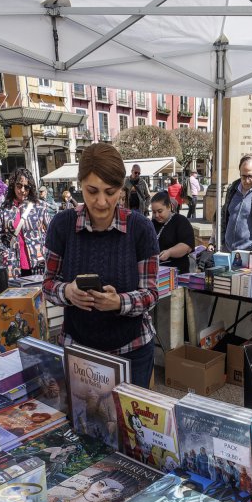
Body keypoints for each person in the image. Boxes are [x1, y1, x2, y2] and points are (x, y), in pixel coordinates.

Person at [42, 143, 159, 387]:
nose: (102, 202)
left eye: (110, 191)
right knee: (84, 422)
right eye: (92, 191)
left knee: (130, 424)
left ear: (122, 187)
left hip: (132, 349)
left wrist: (119, 303)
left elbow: (151, 293)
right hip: (79, 349)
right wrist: (68, 293)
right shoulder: (62, 225)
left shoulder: (140, 228)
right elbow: (47, 285)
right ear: (80, 184)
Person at [0, 168, 49, 276]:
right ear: (13, 186)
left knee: (38, 292)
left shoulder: (40, 206)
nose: (22, 190)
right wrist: (5, 254)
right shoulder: (4, 208)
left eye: (27, 187)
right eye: (19, 186)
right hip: (13, 264)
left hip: (38, 262)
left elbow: (51, 232)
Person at [150, 191, 195, 274]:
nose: (156, 215)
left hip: (178, 271)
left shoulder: (180, 221)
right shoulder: (152, 223)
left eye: (160, 211)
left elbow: (187, 246)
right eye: (153, 212)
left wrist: (169, 252)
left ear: (169, 207)